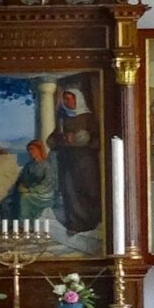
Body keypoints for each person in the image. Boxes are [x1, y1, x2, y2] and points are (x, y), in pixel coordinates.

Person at [51, 86, 103, 235]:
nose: (67, 102)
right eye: (65, 99)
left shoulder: (88, 118)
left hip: (86, 160)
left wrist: (83, 140)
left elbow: (98, 139)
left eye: (69, 98)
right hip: (68, 160)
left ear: (77, 99)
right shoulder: (63, 118)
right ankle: (75, 224)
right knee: (70, 191)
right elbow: (52, 140)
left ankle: (92, 222)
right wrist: (62, 138)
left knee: (89, 190)